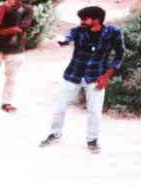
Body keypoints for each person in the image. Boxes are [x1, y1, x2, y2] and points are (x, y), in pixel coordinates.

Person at [39, 6, 126, 154]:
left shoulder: (113, 32)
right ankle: (55, 134)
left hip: (96, 77)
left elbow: (120, 55)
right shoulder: (77, 31)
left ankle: (92, 140)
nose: (81, 22)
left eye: (85, 19)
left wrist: (105, 76)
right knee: (60, 107)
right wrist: (60, 41)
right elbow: (66, 38)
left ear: (96, 20)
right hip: (73, 75)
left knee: (95, 111)